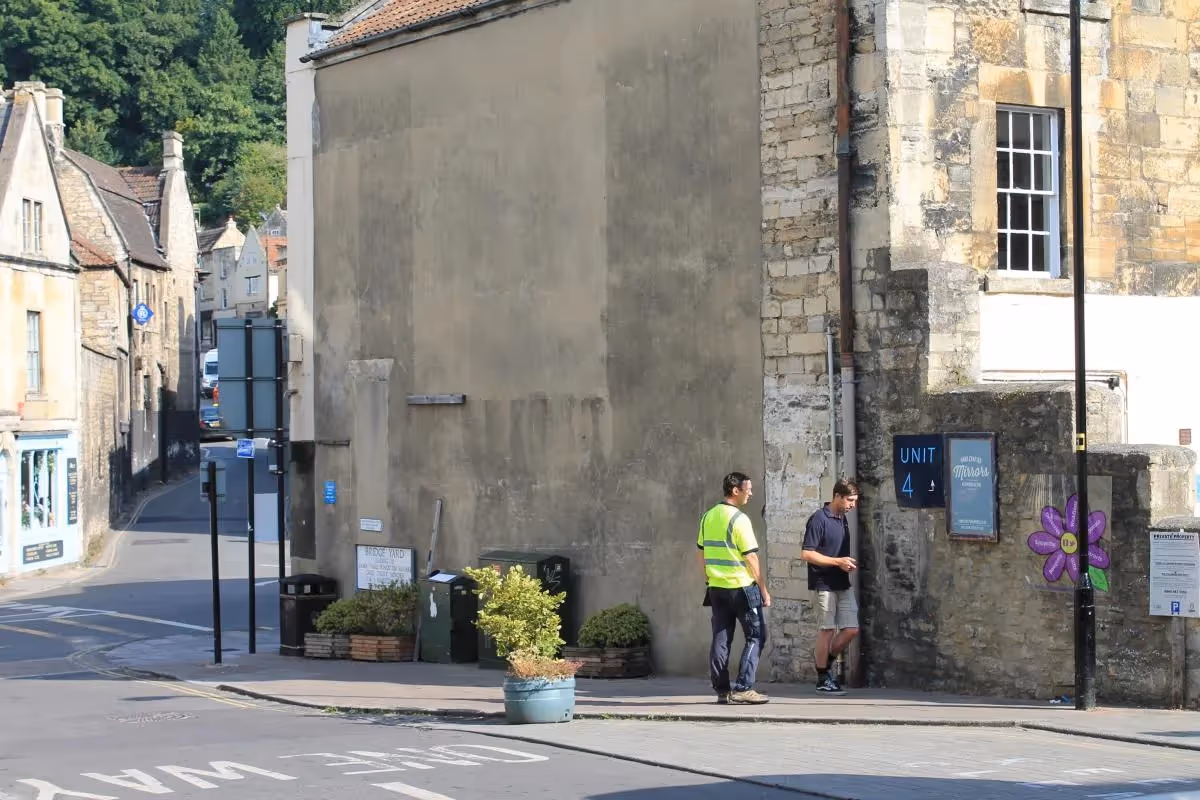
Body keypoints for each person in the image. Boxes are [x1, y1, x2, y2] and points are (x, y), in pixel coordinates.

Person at [698, 471, 771, 705]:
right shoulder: (739, 519)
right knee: (757, 635)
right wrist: (763, 589)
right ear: (735, 490)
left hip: (717, 588)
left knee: (721, 638)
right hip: (742, 587)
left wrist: (708, 579)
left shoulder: (708, 516)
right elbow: (751, 558)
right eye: (748, 488)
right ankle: (743, 687)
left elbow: (701, 552)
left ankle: (721, 690)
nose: (751, 492)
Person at [801, 478, 860, 695]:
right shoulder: (818, 519)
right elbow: (806, 553)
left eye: (855, 500)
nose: (853, 505)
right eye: (850, 500)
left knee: (851, 629)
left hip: (842, 582)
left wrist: (846, 564)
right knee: (827, 630)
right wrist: (838, 562)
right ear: (837, 496)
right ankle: (823, 677)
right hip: (823, 583)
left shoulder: (842, 519)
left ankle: (825, 664)